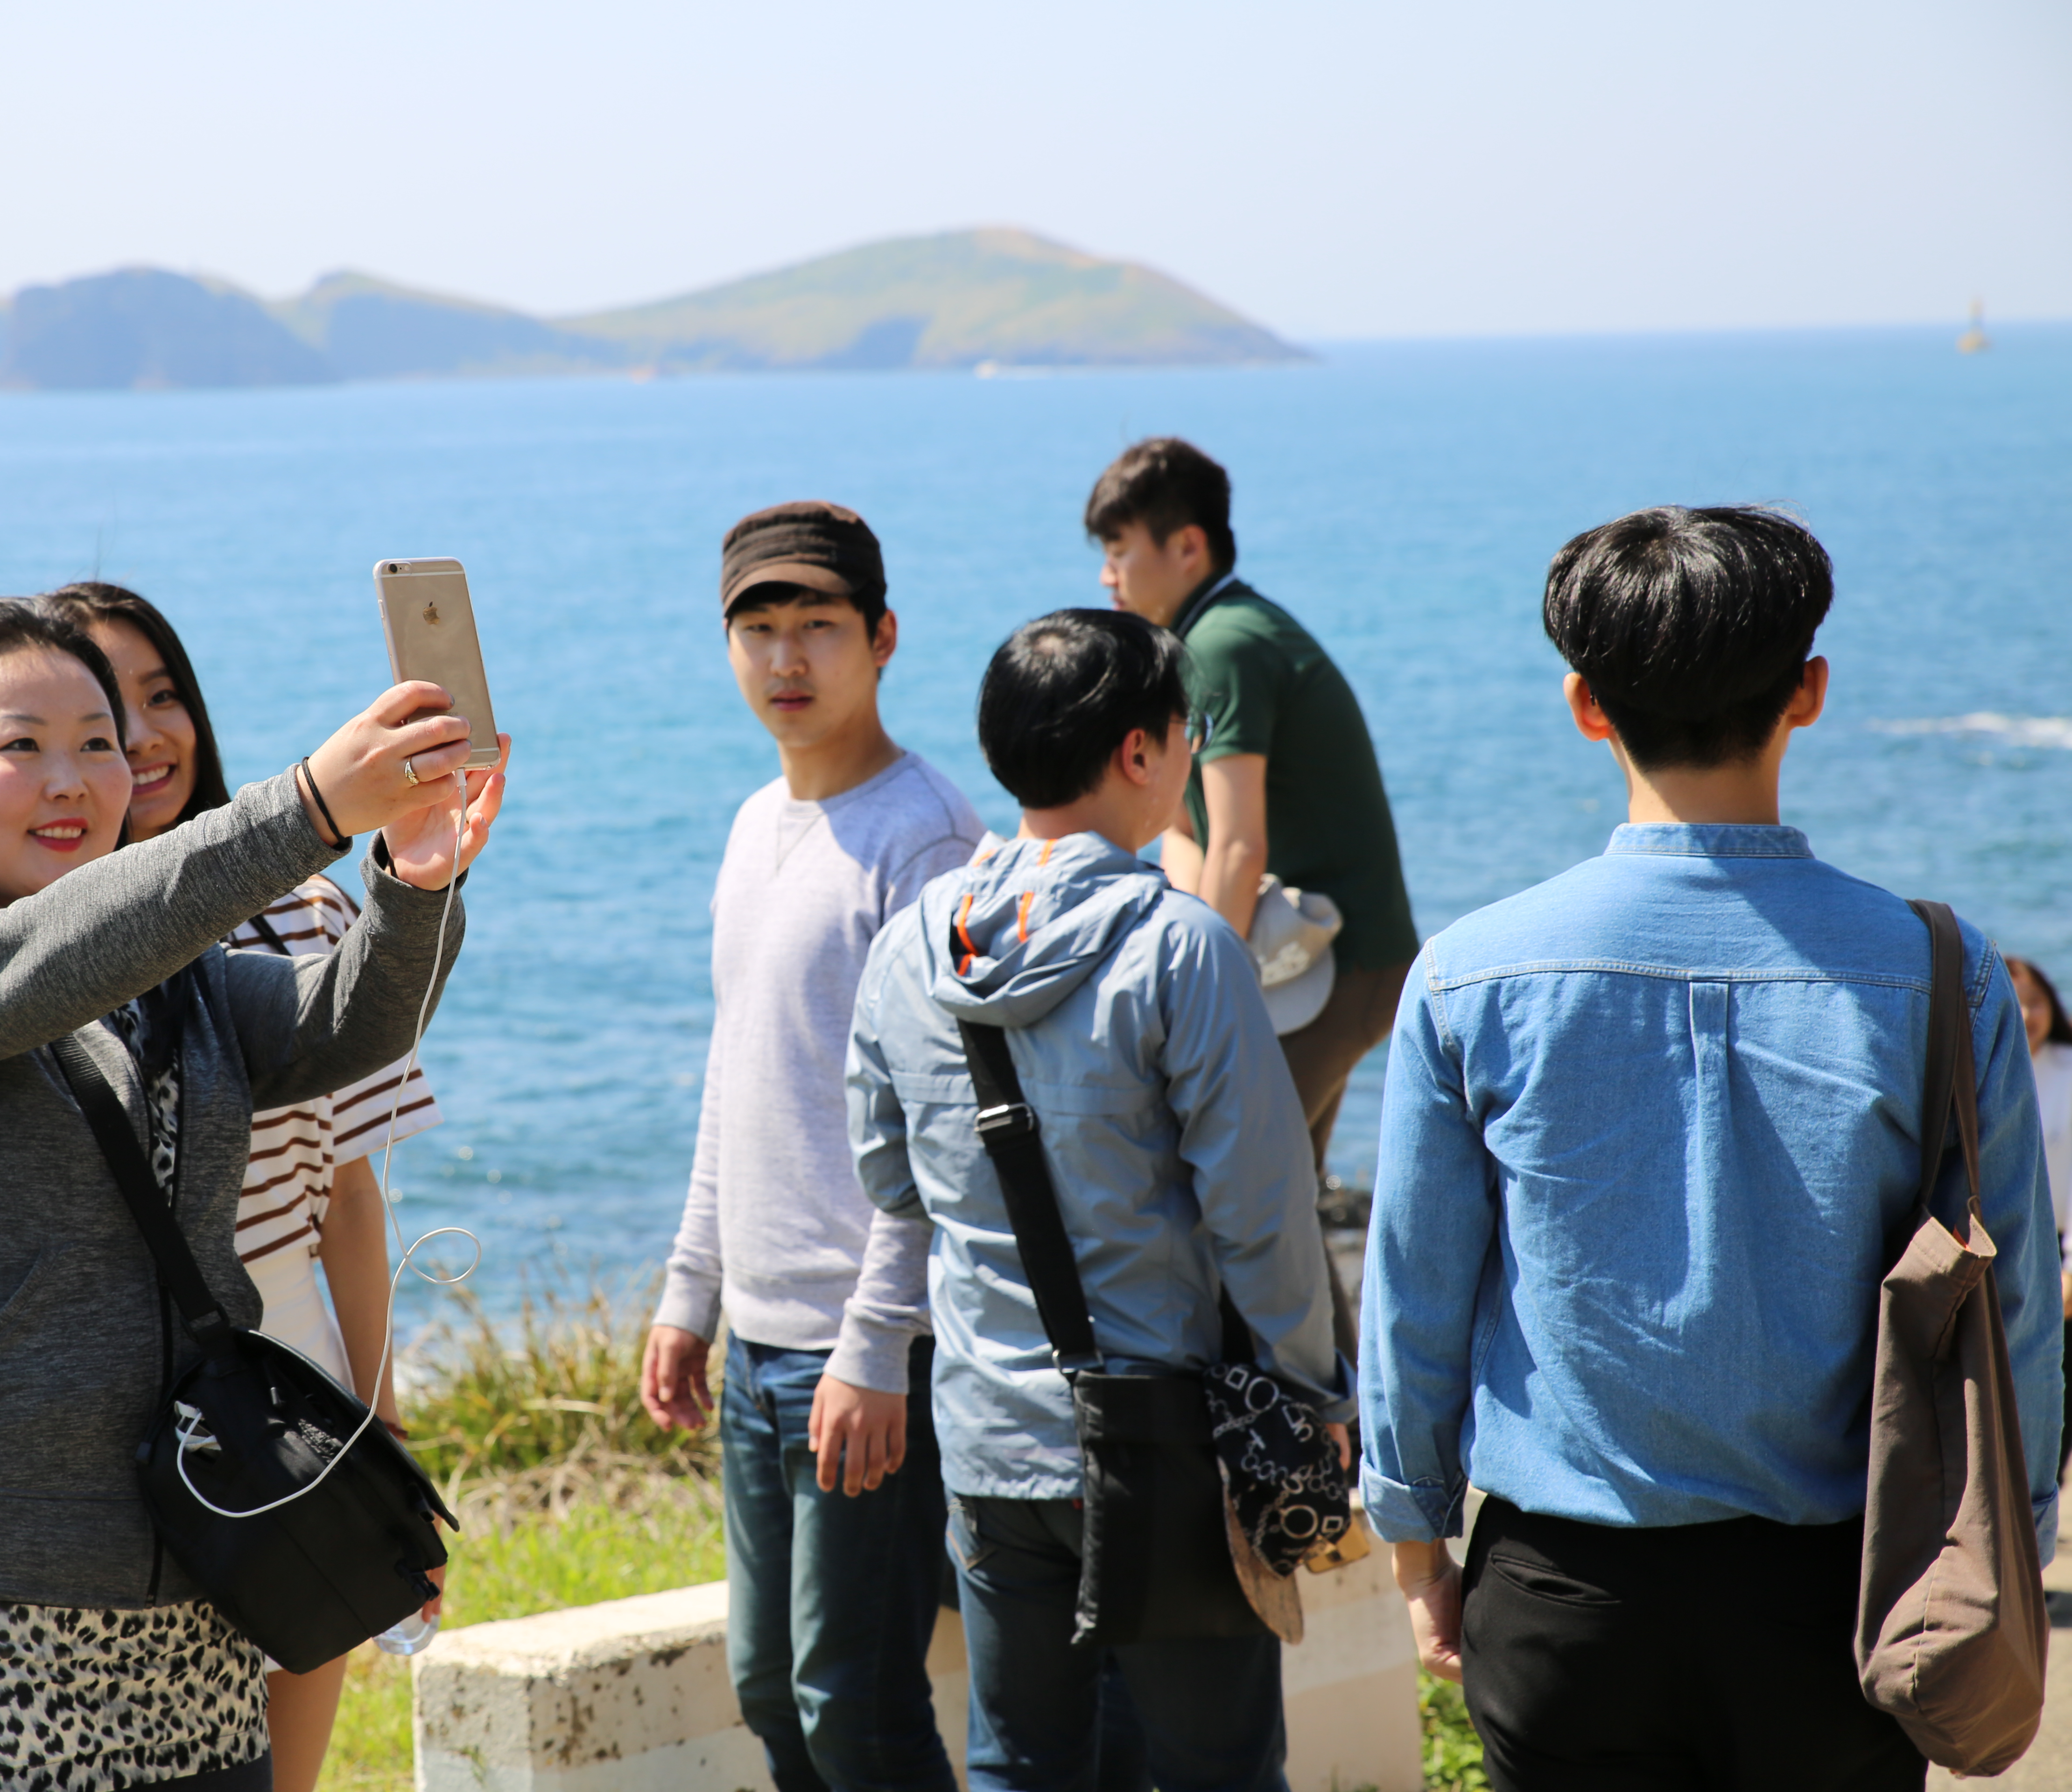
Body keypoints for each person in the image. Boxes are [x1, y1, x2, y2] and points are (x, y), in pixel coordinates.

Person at [1363, 506, 2061, 1792]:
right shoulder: (1943, 973)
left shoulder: (1467, 976)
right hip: (1844, 1595)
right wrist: (2011, 1542)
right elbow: (2010, 1294)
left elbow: (1415, 1295)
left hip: (1560, 1591)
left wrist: (1416, 1546)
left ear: (1584, 704)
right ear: (1809, 691)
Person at [0, 598, 505, 1792]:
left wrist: (413, 883)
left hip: (184, 1570)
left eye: (97, 743)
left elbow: (343, 1024)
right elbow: (17, 974)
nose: (72, 779)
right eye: (20, 745)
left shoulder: (173, 979)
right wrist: (308, 806)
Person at [843, 607, 1347, 1792]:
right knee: (1216, 1767)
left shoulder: (913, 945)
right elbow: (1261, 1215)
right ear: (1138, 752)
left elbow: (887, 1175)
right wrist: (1312, 1388)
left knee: (1017, 1762)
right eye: (1184, 733)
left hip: (986, 1437)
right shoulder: (1182, 947)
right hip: (1164, 1441)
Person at [37, 581, 446, 1792]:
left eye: (164, 695)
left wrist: (379, 1424)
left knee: (292, 1696)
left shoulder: (306, 907)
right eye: (104, 708)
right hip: (106, 1379)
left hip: (286, 1366)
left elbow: (350, 1201)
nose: (145, 733)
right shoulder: (26, 939)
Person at [637, 501, 982, 1792]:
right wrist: (691, 1290)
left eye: (818, 627)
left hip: (870, 1350)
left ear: (882, 638)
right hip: (760, 1346)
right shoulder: (753, 826)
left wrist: (878, 1341)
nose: (786, 660)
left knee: (857, 1705)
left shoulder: (925, 837)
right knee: (772, 1691)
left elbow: (946, 1121)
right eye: (759, 630)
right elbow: (739, 1067)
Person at [1085, 438, 1415, 1184]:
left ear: (1187, 546)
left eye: (1119, 549)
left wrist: (1195, 1004)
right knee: (1280, 1204)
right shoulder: (1205, 638)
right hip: (1309, 960)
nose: (1107, 574)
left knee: (1222, 1184)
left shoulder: (1225, 646)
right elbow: (1185, 831)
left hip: (1340, 966)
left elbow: (1238, 848)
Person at [2008, 954, 2072, 1449]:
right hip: (1993, 1249)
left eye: (2037, 1001)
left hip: (2057, 1252)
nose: (2028, 1015)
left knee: (2057, 1393)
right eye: (2016, 1002)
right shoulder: (1970, 1069)